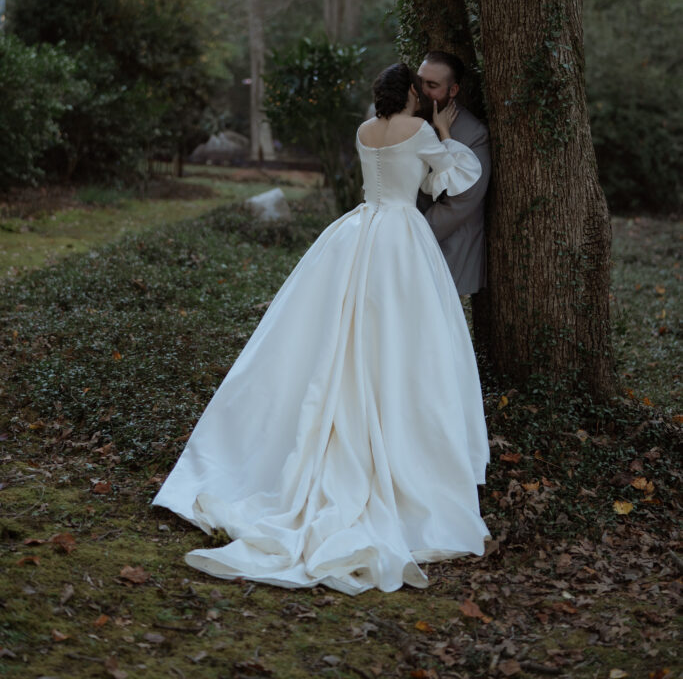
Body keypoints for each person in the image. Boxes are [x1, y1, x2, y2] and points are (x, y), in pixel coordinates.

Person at [153, 64, 490, 595]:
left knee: (341, 328)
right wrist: (445, 133)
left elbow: (395, 175)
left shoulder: (363, 131)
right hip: (401, 236)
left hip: (359, 231)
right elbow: (454, 174)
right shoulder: (423, 131)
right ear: (408, 94)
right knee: (405, 337)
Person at [417, 52, 491, 296]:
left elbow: (462, 202)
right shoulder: (405, 119)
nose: (421, 90)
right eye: (419, 81)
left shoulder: (473, 134)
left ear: (453, 90)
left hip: (445, 248)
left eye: (432, 85)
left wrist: (412, 233)